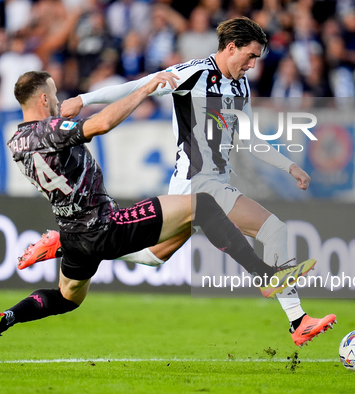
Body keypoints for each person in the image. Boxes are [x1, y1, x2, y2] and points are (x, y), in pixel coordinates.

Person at [0, 70, 315, 367]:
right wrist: (144, 89)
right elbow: (101, 124)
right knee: (204, 205)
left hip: (73, 235)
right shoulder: (50, 130)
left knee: (67, 299)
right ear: (42, 100)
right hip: (105, 224)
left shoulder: (16, 143)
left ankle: (4, 319)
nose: (57, 102)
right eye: (53, 96)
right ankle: (264, 275)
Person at [22, 17, 336, 348]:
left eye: (257, 58)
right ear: (231, 48)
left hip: (205, 184)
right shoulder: (194, 74)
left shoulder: (240, 87)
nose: (254, 64)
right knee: (274, 231)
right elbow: (140, 84)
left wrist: (289, 166)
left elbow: (251, 139)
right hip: (199, 182)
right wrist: (84, 100)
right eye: (251, 55)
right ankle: (298, 321)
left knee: (152, 258)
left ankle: (65, 243)